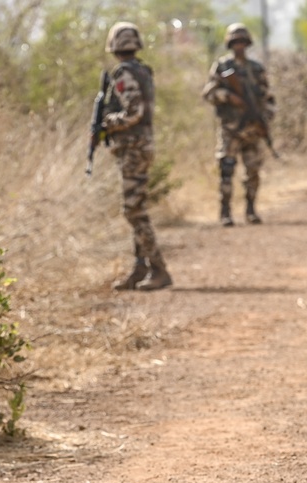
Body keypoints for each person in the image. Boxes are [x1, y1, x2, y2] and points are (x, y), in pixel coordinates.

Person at [100, 22, 172, 291]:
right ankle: (140, 269)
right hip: (142, 145)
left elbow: (134, 112)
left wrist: (109, 122)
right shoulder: (143, 71)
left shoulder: (124, 73)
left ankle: (159, 268)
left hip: (134, 147)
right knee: (136, 206)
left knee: (134, 210)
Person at [201, 23, 276, 227]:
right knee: (226, 170)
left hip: (252, 128)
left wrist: (265, 120)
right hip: (230, 129)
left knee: (252, 171)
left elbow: (268, 98)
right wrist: (229, 97)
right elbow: (208, 93)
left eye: (242, 42)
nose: (239, 45)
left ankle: (251, 209)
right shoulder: (222, 67)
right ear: (230, 44)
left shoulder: (256, 69)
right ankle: (225, 212)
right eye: (236, 42)